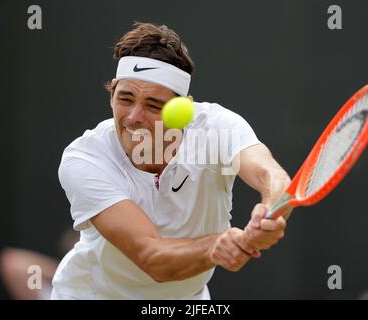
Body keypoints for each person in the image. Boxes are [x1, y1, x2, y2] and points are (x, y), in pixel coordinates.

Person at [51, 22, 292, 300]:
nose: (134, 117)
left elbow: (271, 176)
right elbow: (151, 256)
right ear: (112, 94)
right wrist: (215, 246)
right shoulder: (85, 158)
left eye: (153, 105)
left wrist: (270, 214)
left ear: (183, 111)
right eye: (125, 98)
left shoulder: (217, 128)